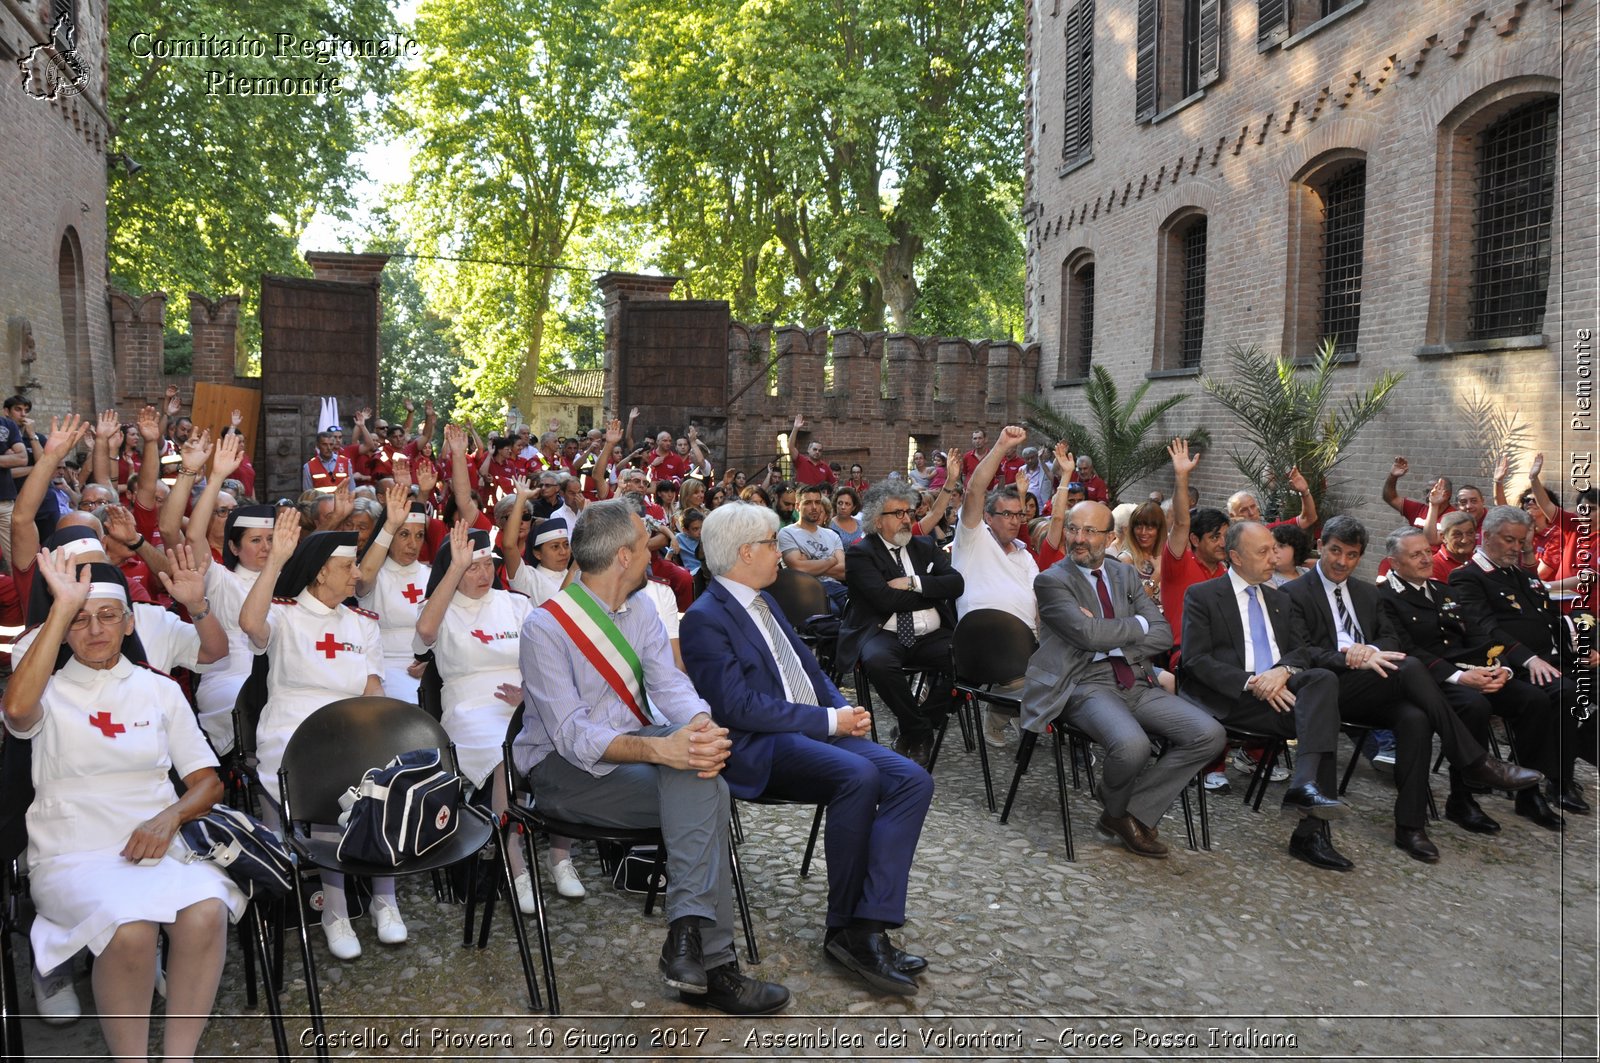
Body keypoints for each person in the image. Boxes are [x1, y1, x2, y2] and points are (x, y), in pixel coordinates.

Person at [513, 500, 790, 1014]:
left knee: (703, 774)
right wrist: (664, 748)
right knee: (708, 787)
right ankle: (715, 967)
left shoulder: (641, 608)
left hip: (636, 752)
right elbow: (573, 737)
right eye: (646, 545)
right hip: (563, 772)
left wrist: (700, 726)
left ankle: (686, 936)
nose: (653, 551)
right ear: (623, 556)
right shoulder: (545, 628)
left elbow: (669, 686)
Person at [682, 502, 933, 995]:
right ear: (744, 552)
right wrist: (827, 720)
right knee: (857, 777)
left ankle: (868, 924)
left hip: (811, 732)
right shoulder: (704, 618)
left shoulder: (764, 600)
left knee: (912, 779)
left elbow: (811, 672)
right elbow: (736, 707)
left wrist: (845, 713)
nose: (781, 552)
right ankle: (843, 930)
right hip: (759, 746)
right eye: (773, 544)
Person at [4, 554, 244, 1059]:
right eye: (80, 620)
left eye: (108, 616)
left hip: (158, 843)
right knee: (129, 928)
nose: (95, 630)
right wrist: (58, 610)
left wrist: (170, 816)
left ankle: (180, 1057)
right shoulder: (45, 689)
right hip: (73, 851)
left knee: (206, 910)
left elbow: (207, 781)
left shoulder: (158, 689)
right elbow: (16, 711)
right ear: (63, 630)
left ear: (129, 622)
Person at [1282, 515, 1540, 861]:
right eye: (1335, 551)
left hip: (1373, 686)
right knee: (1411, 665)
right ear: (1320, 546)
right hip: (1326, 686)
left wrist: (1372, 650)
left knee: (1415, 718)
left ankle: (1410, 827)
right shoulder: (1293, 592)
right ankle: (1475, 760)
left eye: (1352, 555)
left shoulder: (1365, 593)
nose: (1342, 561)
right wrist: (1350, 656)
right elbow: (1299, 649)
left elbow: (1389, 637)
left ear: (1361, 557)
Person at [1022, 501, 1225, 858]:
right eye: (1073, 529)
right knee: (1133, 747)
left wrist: (1107, 630)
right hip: (1082, 683)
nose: (1078, 539)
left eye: (1090, 531)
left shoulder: (1125, 575)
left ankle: (1126, 809)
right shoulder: (1052, 581)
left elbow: (1162, 634)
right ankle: (1118, 811)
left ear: (1110, 537)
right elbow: (1086, 635)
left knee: (1209, 735)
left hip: (1135, 677)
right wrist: (1134, 626)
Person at [240, 513, 402, 960]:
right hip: (293, 726)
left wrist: (382, 735)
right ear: (319, 572)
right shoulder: (284, 615)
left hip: (351, 723)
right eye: (349, 566)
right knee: (332, 782)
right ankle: (336, 910)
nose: (358, 574)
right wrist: (275, 562)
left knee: (383, 772)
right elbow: (251, 625)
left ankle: (384, 899)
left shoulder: (363, 623)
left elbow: (373, 688)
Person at [1178, 522, 1356, 869]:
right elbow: (1195, 661)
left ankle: (1303, 785)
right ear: (1235, 557)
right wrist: (1252, 682)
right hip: (1233, 701)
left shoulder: (1279, 598)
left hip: (1280, 694)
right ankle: (1311, 832)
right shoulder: (1203, 595)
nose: (1274, 557)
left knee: (1321, 683)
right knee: (1322, 720)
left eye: (1274, 549)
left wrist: (1281, 673)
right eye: (1263, 551)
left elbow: (1301, 651)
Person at [1379, 525, 1568, 830]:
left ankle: (1530, 793)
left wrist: (1502, 668)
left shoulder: (1444, 591)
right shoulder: (1385, 598)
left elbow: (1482, 635)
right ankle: (1463, 799)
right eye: (1416, 555)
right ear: (1394, 562)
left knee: (1534, 698)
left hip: (1474, 672)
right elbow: (1407, 649)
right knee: (1473, 705)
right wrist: (1458, 677)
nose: (1427, 559)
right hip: (1431, 680)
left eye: (1428, 551)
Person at [416, 521, 557, 910]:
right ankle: (514, 857)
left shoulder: (516, 604)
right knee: (504, 751)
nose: (483, 574)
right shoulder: (439, 609)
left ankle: (560, 856)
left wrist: (529, 693)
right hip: (471, 707)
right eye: (471, 567)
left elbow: (546, 658)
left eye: (487, 565)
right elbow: (425, 633)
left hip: (525, 701)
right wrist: (452, 571)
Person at [1448, 505, 1599, 813]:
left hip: (1553, 659)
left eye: (1521, 542)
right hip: (1509, 667)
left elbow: (1551, 616)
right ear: (1487, 536)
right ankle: (1554, 783)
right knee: (1565, 692)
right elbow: (1483, 630)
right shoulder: (1468, 577)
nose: (1516, 548)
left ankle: (1568, 765)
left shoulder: (1521, 576)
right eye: (1509, 540)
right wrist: (1528, 659)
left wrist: (1583, 645)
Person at [839, 481, 965, 768]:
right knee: (878, 662)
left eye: (908, 511)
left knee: (973, 660)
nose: (907, 519)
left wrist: (913, 583)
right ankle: (920, 732)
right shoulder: (861, 553)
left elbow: (956, 584)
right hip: (884, 632)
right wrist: (932, 594)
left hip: (932, 634)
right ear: (876, 520)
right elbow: (884, 601)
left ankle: (916, 725)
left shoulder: (924, 545)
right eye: (897, 513)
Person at [951, 427, 1043, 748]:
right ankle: (1013, 707)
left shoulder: (1025, 556)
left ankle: (1005, 710)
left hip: (1026, 646)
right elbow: (975, 490)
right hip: (980, 640)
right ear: (988, 517)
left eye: (1019, 514)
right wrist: (1003, 446)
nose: (1015, 520)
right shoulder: (971, 539)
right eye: (1006, 514)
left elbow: (1039, 603)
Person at [355, 487, 432, 704]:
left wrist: (434, 662)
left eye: (419, 536)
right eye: (404, 534)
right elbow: (364, 575)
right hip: (386, 668)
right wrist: (390, 525)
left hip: (428, 667)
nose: (413, 544)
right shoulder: (374, 576)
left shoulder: (433, 576)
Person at [779, 483, 849, 615]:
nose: (814, 507)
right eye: (808, 503)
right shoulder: (787, 533)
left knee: (861, 608)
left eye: (817, 502)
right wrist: (831, 560)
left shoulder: (832, 535)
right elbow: (798, 568)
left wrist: (810, 563)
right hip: (806, 588)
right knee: (831, 613)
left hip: (836, 587)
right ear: (797, 506)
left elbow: (844, 571)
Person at [1116, 501, 1167, 605]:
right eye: (1138, 526)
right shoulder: (1126, 559)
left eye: (1150, 527)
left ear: (1159, 530)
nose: (1143, 532)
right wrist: (1157, 574)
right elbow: (1131, 602)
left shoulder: (1165, 555)